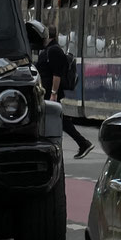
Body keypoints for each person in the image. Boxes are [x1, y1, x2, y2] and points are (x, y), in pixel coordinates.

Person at [36, 30, 92, 159]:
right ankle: (82, 143)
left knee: (58, 119)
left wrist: (53, 93)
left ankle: (82, 143)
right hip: (46, 91)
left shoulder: (54, 50)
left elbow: (57, 74)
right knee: (56, 119)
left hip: (50, 92)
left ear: (48, 36)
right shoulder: (49, 49)